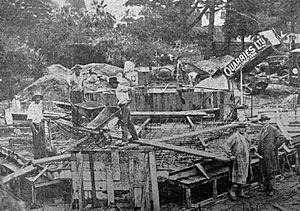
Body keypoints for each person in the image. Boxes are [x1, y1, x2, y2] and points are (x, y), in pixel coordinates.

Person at [257, 114, 288, 196]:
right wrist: (258, 150)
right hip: (262, 155)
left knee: (270, 172)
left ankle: (272, 189)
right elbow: (260, 142)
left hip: (270, 155)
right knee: (264, 171)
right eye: (262, 121)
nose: (263, 122)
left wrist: (274, 146)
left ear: (268, 121)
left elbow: (282, 138)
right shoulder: (261, 130)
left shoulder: (273, 129)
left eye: (265, 120)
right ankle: (266, 187)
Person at [224, 123, 252, 201]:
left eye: (244, 128)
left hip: (245, 160)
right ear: (238, 129)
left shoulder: (246, 136)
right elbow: (226, 144)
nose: (242, 129)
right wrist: (230, 155)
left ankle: (240, 192)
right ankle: (232, 192)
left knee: (244, 177)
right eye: (241, 128)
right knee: (237, 177)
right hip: (238, 161)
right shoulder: (235, 136)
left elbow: (248, 145)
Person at [109, 76, 138, 142]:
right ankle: (135, 137)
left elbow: (131, 89)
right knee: (129, 122)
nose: (111, 86)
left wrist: (130, 100)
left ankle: (124, 139)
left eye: (111, 84)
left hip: (125, 106)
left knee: (123, 122)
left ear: (114, 83)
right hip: (123, 106)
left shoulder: (120, 87)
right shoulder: (117, 89)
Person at [27, 91, 48, 159]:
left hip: (40, 124)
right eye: (37, 97)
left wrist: (45, 119)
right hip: (35, 125)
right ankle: (37, 157)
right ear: (34, 98)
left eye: (39, 97)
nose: (38, 99)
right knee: (37, 142)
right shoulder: (31, 107)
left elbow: (40, 116)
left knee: (43, 141)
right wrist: (34, 129)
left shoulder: (39, 105)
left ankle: (43, 156)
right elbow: (30, 121)